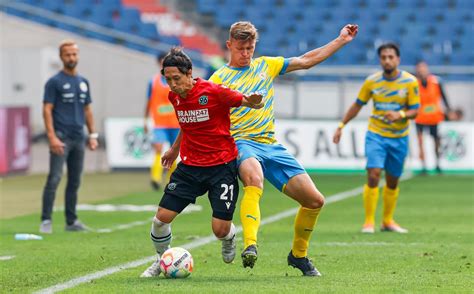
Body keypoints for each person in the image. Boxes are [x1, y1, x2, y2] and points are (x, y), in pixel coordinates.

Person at [209, 21, 358, 276]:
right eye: (241, 48)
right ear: (229, 45)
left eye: (250, 48)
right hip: (241, 144)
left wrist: (341, 40)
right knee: (254, 178)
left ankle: (298, 256)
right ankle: (251, 245)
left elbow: (306, 60)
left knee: (314, 201)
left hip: (271, 145)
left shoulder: (266, 65)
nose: (246, 54)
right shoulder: (218, 79)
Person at [140, 48, 264, 278]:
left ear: (189, 73)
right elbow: (186, 126)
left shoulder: (214, 91)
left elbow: (246, 101)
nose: (173, 85)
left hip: (221, 167)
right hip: (190, 168)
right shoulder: (174, 96)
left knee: (219, 229)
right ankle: (162, 259)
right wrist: (175, 149)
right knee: (160, 219)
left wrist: (253, 101)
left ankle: (229, 238)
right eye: (168, 80)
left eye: (176, 79)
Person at [333, 43, 420, 234]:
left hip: (399, 138)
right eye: (383, 57)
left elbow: (415, 110)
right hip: (376, 135)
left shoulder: (410, 82)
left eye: (391, 57)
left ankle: (387, 221)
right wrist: (341, 125)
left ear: (398, 59)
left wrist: (401, 115)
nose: (387, 60)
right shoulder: (372, 82)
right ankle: (368, 222)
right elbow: (357, 105)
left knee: (392, 181)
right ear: (380, 60)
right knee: (373, 174)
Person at [39, 39, 99, 234]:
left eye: (74, 54)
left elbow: (88, 110)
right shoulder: (54, 82)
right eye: (68, 54)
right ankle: (46, 220)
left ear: (78, 56)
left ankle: (71, 221)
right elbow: (47, 110)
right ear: (61, 57)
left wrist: (92, 134)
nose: (71, 57)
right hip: (61, 137)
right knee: (54, 178)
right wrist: (52, 137)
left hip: (79, 137)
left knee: (75, 181)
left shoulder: (83, 82)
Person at [144, 53, 180, 190]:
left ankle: (172, 180)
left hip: (175, 122)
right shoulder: (153, 82)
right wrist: (145, 119)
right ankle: (155, 178)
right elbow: (148, 101)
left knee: (174, 151)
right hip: (159, 122)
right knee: (158, 148)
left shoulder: (177, 80)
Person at [414, 61, 451, 174]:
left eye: (423, 68)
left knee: (436, 141)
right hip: (420, 117)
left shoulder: (436, 81)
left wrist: (449, 110)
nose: (422, 70)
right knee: (421, 141)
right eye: (419, 68)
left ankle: (437, 163)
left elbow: (444, 97)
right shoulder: (414, 83)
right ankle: (423, 165)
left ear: (427, 69)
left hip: (434, 117)